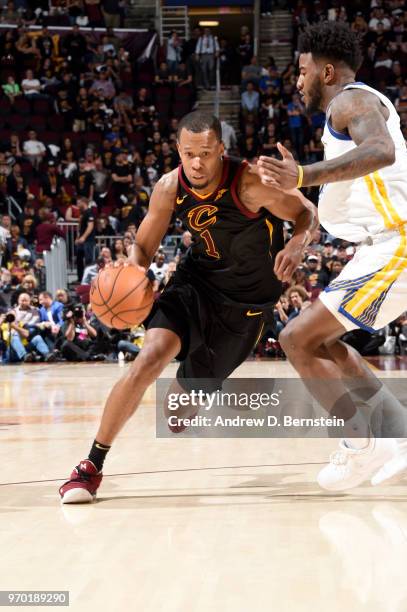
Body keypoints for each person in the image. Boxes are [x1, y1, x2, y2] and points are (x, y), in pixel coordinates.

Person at [59, 111, 316, 503]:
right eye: (189, 153)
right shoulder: (168, 187)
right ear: (178, 150)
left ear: (221, 151)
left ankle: (206, 383)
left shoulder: (250, 182)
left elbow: (305, 213)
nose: (197, 163)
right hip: (196, 283)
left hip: (245, 308)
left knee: (175, 417)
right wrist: (129, 275)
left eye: (207, 154)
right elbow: (144, 246)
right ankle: (91, 466)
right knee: (149, 358)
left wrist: (297, 244)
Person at [257, 21, 407, 491]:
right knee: (320, 343)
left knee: (297, 338)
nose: (297, 81)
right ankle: (395, 434)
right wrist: (306, 235)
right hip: (379, 245)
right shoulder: (347, 110)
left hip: (398, 243)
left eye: (301, 72)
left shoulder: (351, 99)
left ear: (325, 70)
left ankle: (361, 444)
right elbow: (355, 187)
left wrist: (301, 175)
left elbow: (379, 151)